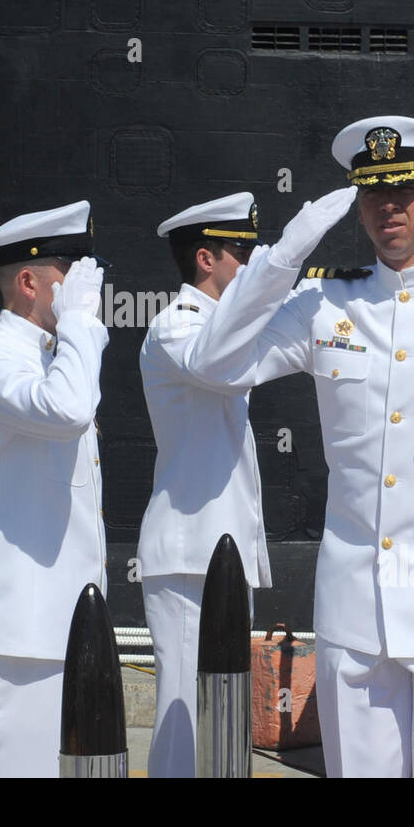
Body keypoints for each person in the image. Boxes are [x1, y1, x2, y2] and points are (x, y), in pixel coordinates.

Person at [186, 116, 414, 777]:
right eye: (372, 193)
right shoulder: (326, 302)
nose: (389, 207)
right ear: (357, 204)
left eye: (405, 190)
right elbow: (214, 365)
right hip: (356, 615)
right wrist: (279, 260)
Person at [0, 200, 109, 777]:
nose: (82, 295)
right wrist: (83, 326)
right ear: (27, 282)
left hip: (62, 622)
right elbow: (65, 411)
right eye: (69, 279)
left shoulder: (58, 358)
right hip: (11, 632)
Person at [137, 192, 281, 777]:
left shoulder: (219, 328)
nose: (246, 267)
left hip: (222, 551)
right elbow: (214, 367)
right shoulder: (179, 327)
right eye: (239, 255)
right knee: (183, 711)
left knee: (221, 715)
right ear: (205, 259)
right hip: (189, 550)